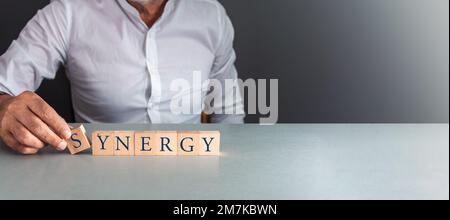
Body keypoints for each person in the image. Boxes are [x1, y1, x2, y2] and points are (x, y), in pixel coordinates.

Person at [0, 0, 244, 154]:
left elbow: (228, 112)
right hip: (97, 175)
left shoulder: (212, 14)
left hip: (192, 173)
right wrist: (4, 106)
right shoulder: (67, 12)